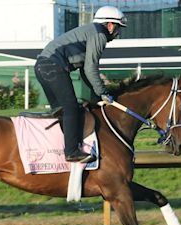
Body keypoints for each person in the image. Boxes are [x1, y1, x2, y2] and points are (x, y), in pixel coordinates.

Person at [34, 6, 127, 163]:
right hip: (52, 67)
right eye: (118, 28)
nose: (117, 34)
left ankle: (58, 149)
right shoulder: (100, 34)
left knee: (62, 111)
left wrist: (95, 96)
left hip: (42, 67)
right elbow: (91, 68)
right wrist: (103, 92)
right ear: (110, 25)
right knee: (70, 108)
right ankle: (71, 152)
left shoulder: (91, 31)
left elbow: (85, 69)